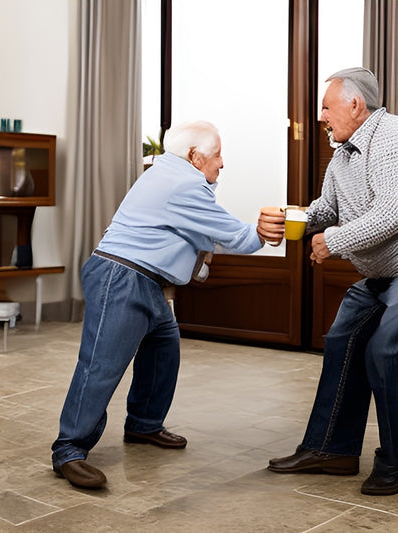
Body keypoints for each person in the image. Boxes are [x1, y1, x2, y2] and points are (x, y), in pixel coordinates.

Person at [51, 120, 285, 489]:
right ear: (194, 157)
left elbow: (201, 233)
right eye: (217, 155)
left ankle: (144, 424)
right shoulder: (184, 185)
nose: (222, 163)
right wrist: (260, 232)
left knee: (163, 348)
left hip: (143, 280)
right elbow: (232, 235)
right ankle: (69, 449)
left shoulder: (172, 176)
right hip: (123, 278)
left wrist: (236, 239)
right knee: (100, 366)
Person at [267, 68, 398, 496]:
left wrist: (334, 241)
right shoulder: (342, 153)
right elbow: (326, 208)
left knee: (385, 351)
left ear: (356, 106)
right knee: (341, 340)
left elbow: (390, 214)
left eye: (326, 106)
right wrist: (291, 220)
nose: (322, 116)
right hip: (379, 275)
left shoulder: (391, 137)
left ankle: (395, 463)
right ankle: (332, 450)